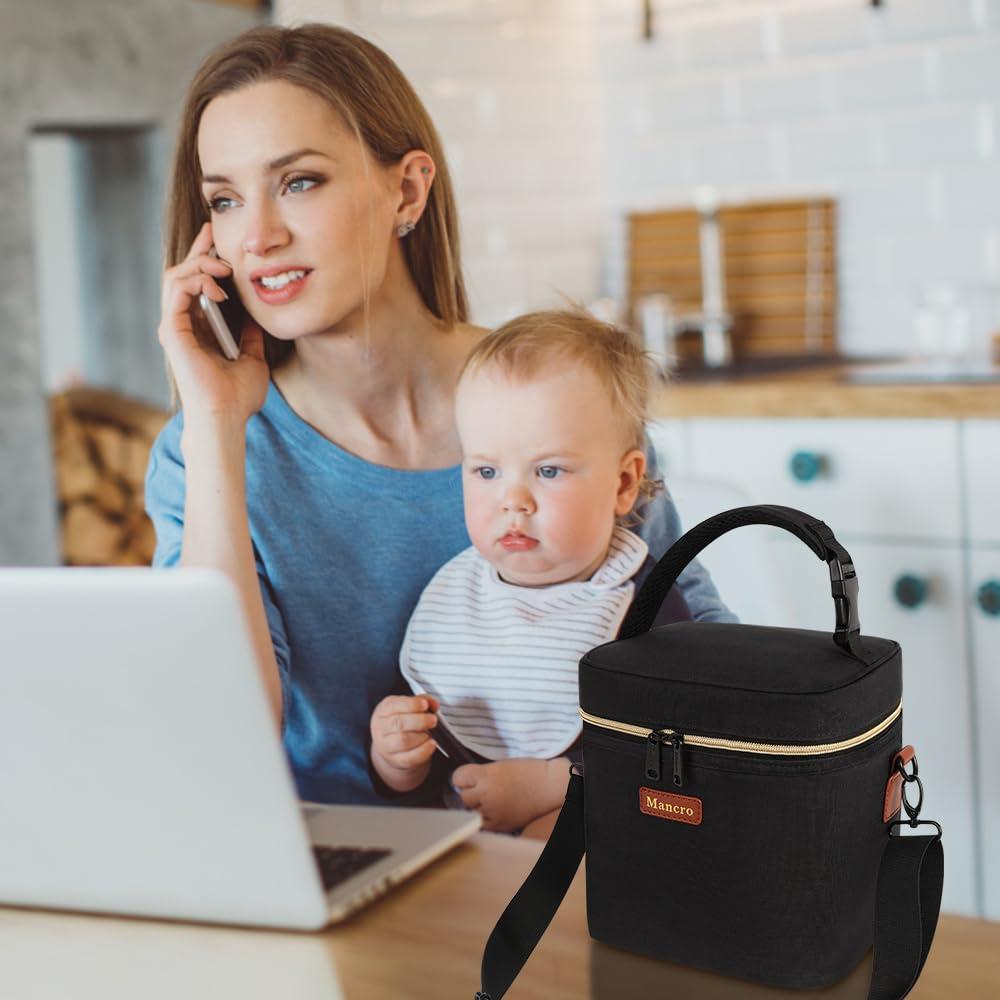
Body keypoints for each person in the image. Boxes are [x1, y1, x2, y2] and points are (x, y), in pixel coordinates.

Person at [146, 22, 736, 810]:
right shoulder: (199, 451)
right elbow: (220, 738)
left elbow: (707, 672)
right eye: (224, 199)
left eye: (299, 182)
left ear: (407, 191)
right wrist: (217, 426)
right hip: (326, 857)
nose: (257, 237)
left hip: (563, 847)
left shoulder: (564, 398)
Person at [370, 309, 699, 835]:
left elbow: (677, 757)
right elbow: (426, 759)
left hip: (593, 834)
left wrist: (557, 785)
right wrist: (397, 759)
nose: (513, 499)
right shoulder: (455, 596)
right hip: (460, 846)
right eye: (486, 470)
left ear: (623, 484)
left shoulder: (644, 602)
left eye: (548, 470)